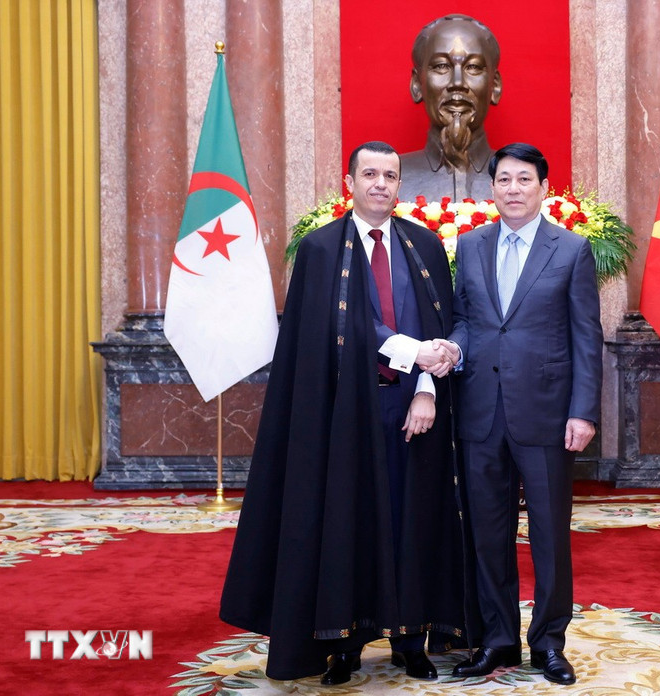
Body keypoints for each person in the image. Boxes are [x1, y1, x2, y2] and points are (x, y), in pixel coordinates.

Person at [219, 141, 466, 685]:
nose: (380, 184)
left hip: (414, 409)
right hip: (342, 414)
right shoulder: (320, 249)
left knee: (411, 521)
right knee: (347, 522)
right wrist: (412, 351)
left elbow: (441, 327)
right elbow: (336, 330)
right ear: (349, 182)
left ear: (400, 185)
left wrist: (426, 389)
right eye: (370, 174)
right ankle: (345, 645)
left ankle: (410, 642)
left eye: (390, 176)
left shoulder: (426, 245)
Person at [440, 143, 603, 685]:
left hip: (548, 414)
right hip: (480, 413)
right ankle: (498, 639)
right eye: (504, 179)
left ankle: (549, 643)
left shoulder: (571, 249)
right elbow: (466, 320)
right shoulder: (470, 245)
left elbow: (586, 336)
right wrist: (453, 349)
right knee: (487, 534)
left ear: (543, 188)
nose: (513, 188)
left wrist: (583, 412)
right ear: (492, 188)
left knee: (550, 536)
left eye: (524, 179)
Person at [400, 14, 502, 202]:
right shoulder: (390, 178)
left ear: (495, 86)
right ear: (417, 84)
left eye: (473, 67)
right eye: (441, 66)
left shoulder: (523, 179)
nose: (457, 83)